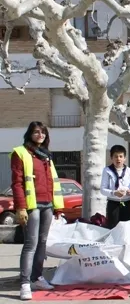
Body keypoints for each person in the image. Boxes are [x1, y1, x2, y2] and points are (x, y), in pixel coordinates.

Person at [12, 122, 63, 300]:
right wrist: (20, 207)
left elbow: (52, 181)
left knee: (42, 243)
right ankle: (25, 283)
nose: (40, 134)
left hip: (47, 204)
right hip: (32, 205)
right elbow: (17, 183)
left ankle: (37, 277)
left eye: (43, 132)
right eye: (36, 132)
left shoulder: (46, 156)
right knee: (30, 244)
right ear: (30, 134)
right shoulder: (21, 153)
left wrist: (57, 206)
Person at [100, 145, 130, 229]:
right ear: (111, 158)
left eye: (121, 156)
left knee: (128, 228)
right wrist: (114, 193)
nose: (118, 159)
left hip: (126, 203)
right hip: (113, 204)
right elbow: (102, 189)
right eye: (115, 156)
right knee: (113, 228)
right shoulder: (107, 171)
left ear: (125, 158)